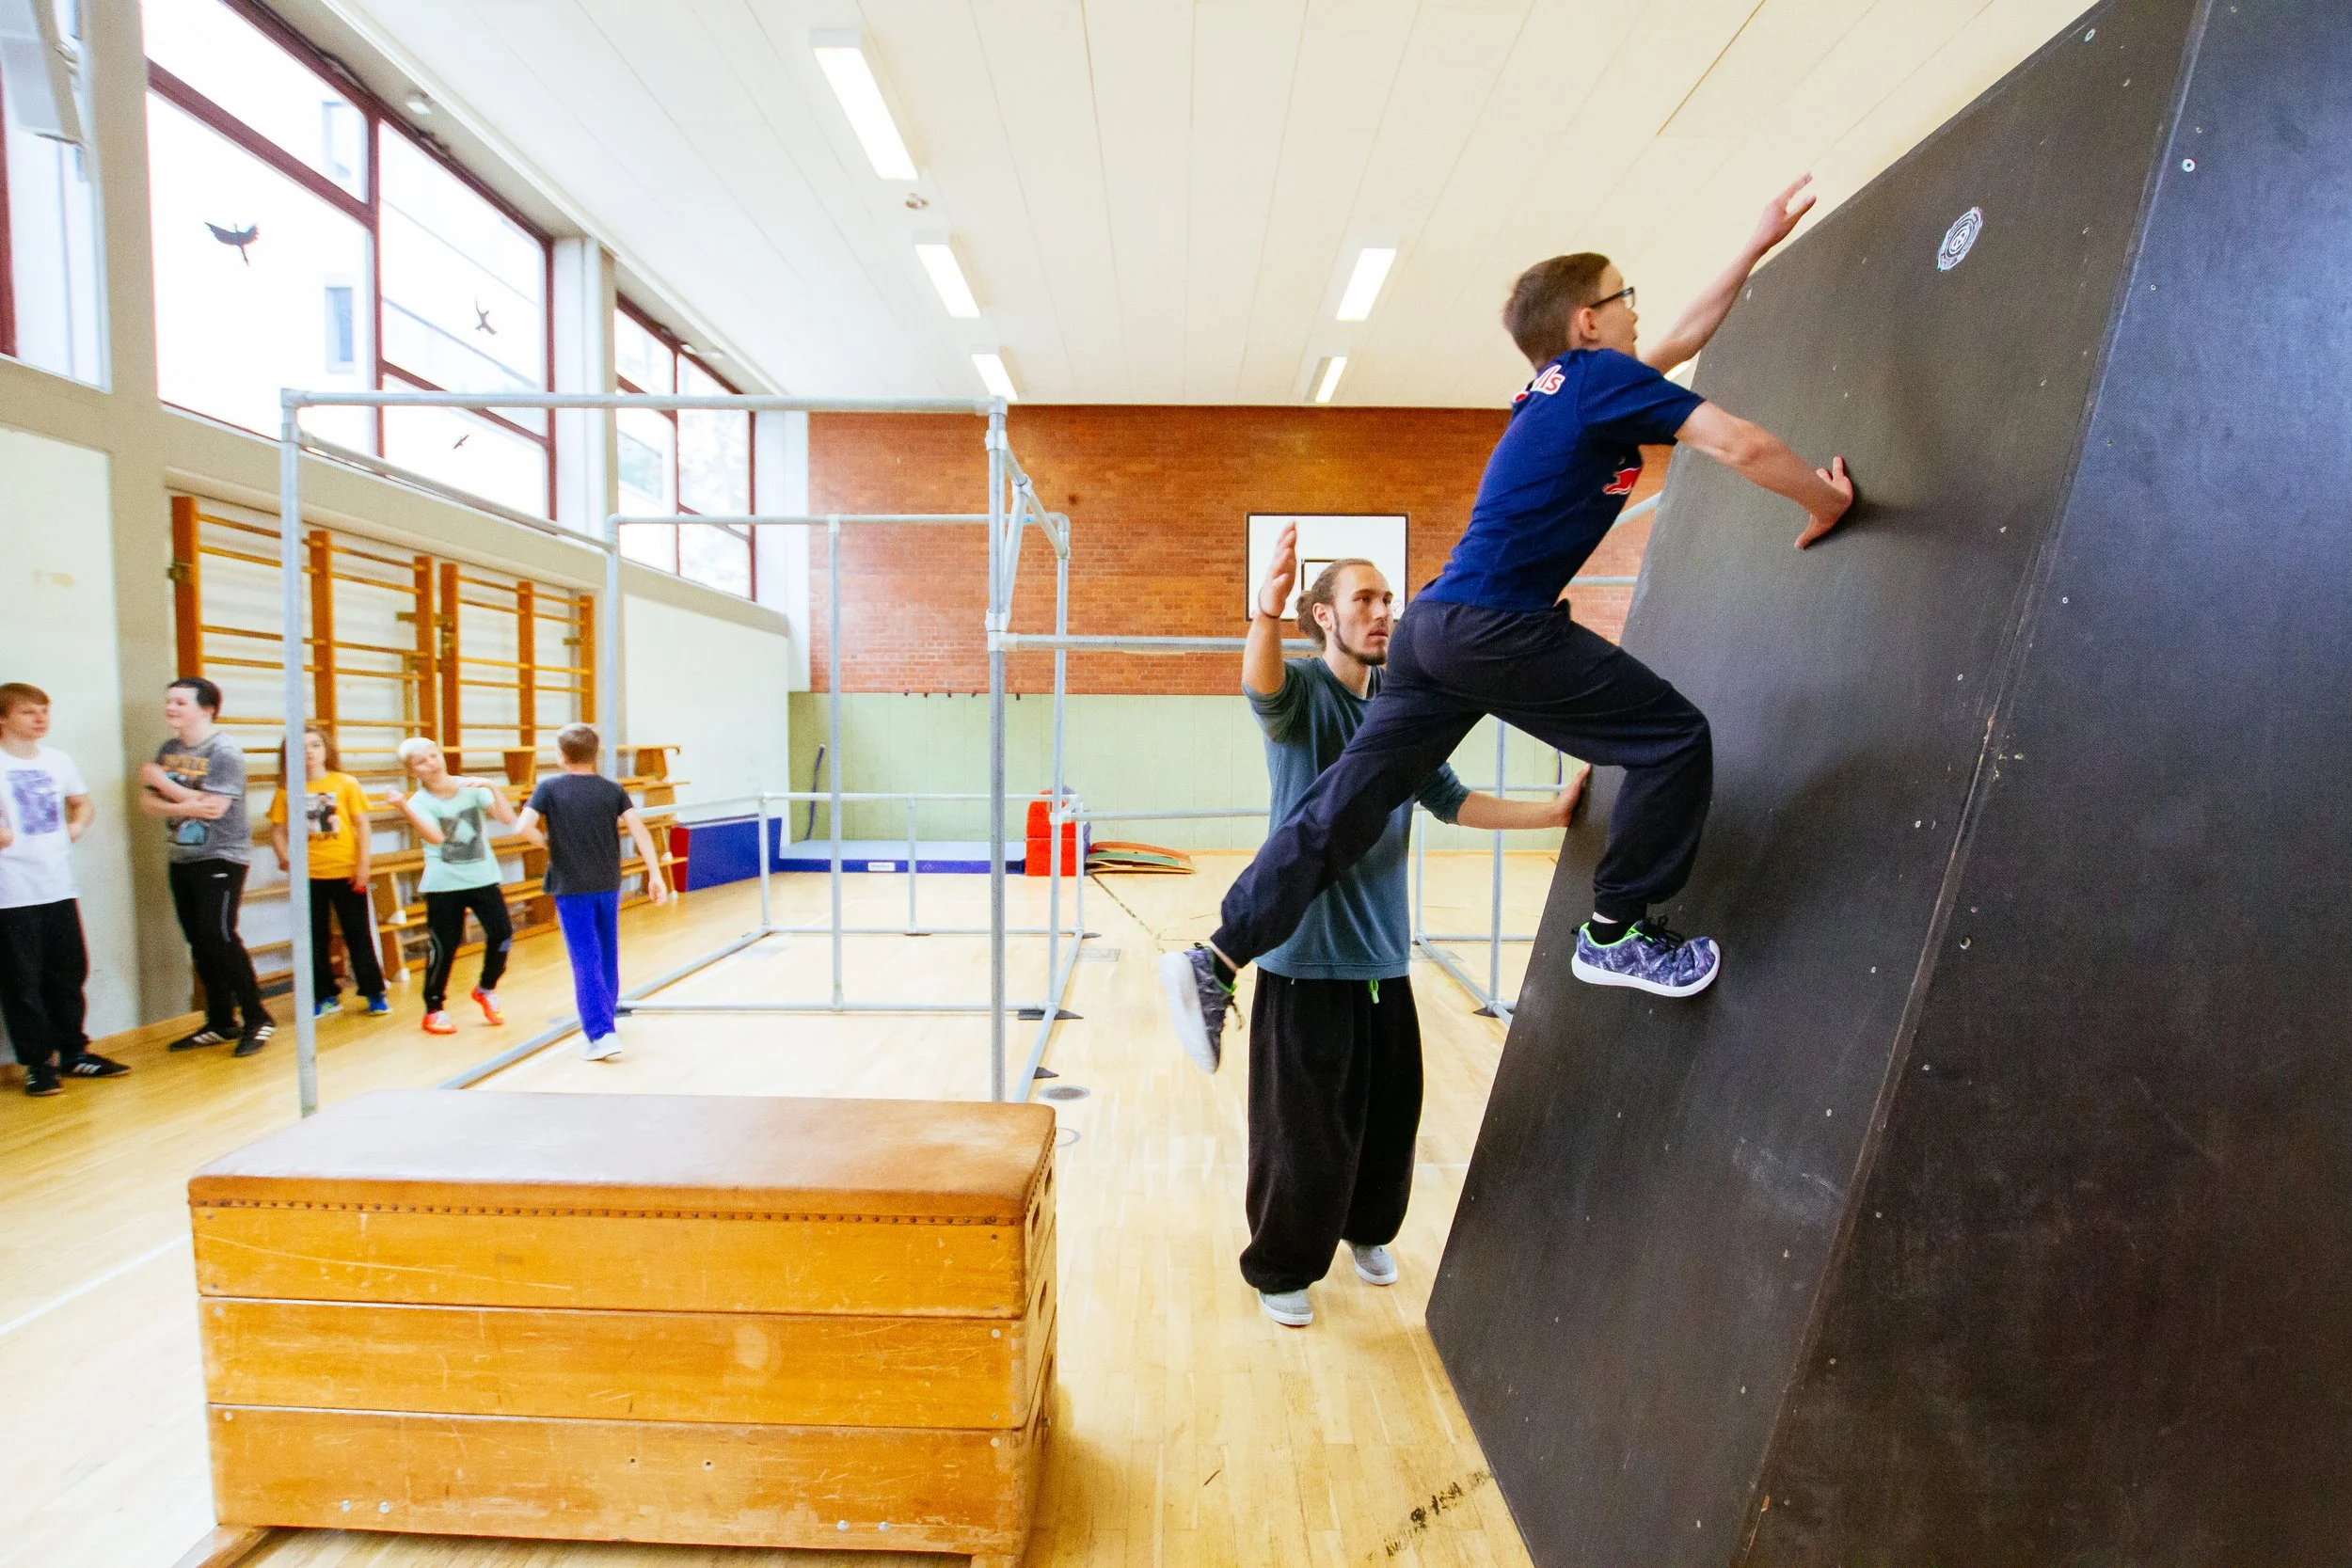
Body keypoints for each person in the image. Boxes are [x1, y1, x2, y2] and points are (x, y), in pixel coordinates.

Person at [1161, 176, 1856, 1058]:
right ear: (1587, 321)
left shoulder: (1564, 389)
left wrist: (1753, 246)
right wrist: (1820, 501)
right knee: (1674, 738)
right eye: (1624, 299)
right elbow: (1741, 444)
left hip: (1432, 634)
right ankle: (1615, 932)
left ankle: (1217, 955)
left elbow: (1681, 337)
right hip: (1494, 625)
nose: (1639, 315)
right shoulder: (1599, 380)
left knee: (1346, 804)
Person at [1211, 531, 1586, 1327]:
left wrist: (1548, 813)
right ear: (1326, 616)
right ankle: (1281, 1264)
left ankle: (1367, 1230)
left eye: (1389, 601)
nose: (1384, 612)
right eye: (1365, 600)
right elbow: (1262, 685)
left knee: (1390, 1119)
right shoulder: (1307, 697)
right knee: (1302, 1132)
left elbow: (1450, 798)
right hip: (1305, 955)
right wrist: (1265, 611)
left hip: (1383, 954)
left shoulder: (1401, 707)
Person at [514, 723, 670, 1063]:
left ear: (561, 756)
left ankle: (601, 1033)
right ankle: (606, 1018)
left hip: (572, 887)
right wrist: (655, 874)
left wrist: (547, 844)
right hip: (607, 883)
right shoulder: (612, 789)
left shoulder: (549, 789)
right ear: (594, 753)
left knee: (585, 958)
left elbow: (521, 826)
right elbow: (640, 832)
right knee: (606, 952)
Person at [0, 683, 125, 1096]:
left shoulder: (58, 760)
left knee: (69, 971)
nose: (40, 719)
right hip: (12, 890)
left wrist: (77, 825)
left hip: (57, 884)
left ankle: (74, 1052)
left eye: (44, 711)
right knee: (22, 980)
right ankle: (39, 1063)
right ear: (3, 719)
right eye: (28, 712)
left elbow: (82, 802)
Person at [141, 676, 273, 1056]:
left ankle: (258, 1017)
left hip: (221, 856)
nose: (170, 708)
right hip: (181, 855)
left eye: (180, 703)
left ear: (206, 708)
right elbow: (147, 806)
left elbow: (216, 808)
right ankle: (220, 1021)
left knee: (220, 937)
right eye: (168, 701)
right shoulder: (169, 748)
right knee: (199, 941)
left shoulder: (224, 751)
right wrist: (184, 803)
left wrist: (160, 782)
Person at [383, 736, 517, 1036]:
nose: (431, 762)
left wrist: (491, 786)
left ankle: (485, 988)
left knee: (503, 934)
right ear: (413, 772)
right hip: (444, 885)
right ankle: (433, 1008)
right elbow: (435, 837)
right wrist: (403, 806)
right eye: (421, 761)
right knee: (444, 946)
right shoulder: (419, 802)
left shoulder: (470, 789)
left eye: (433, 755)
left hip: (483, 878)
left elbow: (507, 817)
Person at [267, 723, 389, 1019]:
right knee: (314, 938)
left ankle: (374, 993)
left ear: (326, 751)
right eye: (300, 747)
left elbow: (362, 825)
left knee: (358, 934)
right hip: (309, 877)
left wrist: (362, 865)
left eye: (315, 745)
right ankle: (325, 996)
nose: (308, 752)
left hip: (345, 872)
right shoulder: (287, 791)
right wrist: (284, 858)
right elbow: (278, 830)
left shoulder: (345, 783)